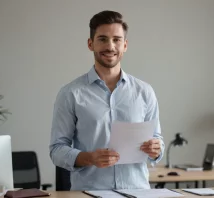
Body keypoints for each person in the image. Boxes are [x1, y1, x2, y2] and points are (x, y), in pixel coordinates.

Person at [49, 10, 164, 190]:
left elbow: (157, 139)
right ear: (90, 44)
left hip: (137, 192)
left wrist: (157, 149)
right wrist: (89, 158)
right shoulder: (70, 93)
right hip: (89, 193)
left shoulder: (145, 92)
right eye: (102, 39)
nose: (110, 46)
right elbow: (56, 150)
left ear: (125, 45)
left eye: (116, 39)